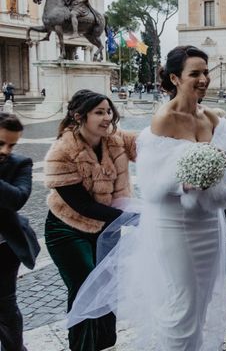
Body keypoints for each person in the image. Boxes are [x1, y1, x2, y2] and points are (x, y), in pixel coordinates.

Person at [68, 46, 226, 350]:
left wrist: (222, 160)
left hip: (208, 223)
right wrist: (184, 181)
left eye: (206, 72)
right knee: (180, 306)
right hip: (175, 224)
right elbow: (153, 184)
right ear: (175, 78)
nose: (203, 79)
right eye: (195, 74)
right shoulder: (164, 119)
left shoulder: (210, 115)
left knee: (201, 301)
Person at [43, 90, 136, 351]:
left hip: (107, 228)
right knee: (86, 286)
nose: (107, 117)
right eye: (99, 112)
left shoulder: (116, 140)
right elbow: (82, 206)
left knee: (107, 287)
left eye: (108, 111)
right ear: (79, 116)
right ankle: (83, 347)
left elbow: (150, 144)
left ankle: (105, 345)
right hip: (68, 229)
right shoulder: (61, 152)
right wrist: (130, 216)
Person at [0, 113, 40, 351]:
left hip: (4, 248)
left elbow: (17, 199)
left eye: (11, 145)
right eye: (0, 143)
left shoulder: (20, 164)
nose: (5, 150)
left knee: (5, 306)